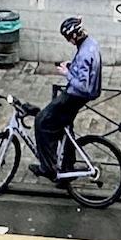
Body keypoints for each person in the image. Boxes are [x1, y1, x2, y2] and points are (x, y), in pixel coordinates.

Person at [33, 15, 102, 177]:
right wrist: (71, 66)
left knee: (42, 122)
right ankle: (67, 167)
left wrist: (67, 73)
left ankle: (47, 167)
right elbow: (87, 69)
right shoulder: (91, 43)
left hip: (74, 96)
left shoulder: (84, 53)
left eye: (69, 38)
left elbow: (83, 86)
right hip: (80, 94)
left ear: (75, 35)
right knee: (64, 127)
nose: (69, 42)